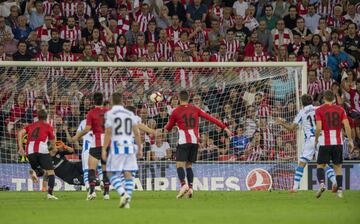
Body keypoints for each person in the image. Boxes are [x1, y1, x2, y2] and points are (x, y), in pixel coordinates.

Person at [163, 90, 232, 199]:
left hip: (184, 142)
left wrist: (163, 130)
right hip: (195, 142)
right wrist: (225, 127)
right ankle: (190, 188)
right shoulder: (195, 109)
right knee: (189, 165)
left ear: (179, 99)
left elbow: (169, 127)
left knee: (179, 165)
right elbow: (211, 118)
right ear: (189, 98)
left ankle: (183, 185)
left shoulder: (175, 111)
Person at [276, 94, 337, 192]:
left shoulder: (302, 112)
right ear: (312, 101)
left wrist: (281, 123)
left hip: (310, 140)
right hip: (321, 139)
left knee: (302, 164)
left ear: (301, 103)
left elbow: (292, 128)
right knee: (323, 164)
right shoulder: (318, 108)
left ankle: (295, 188)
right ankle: (334, 182)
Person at [101, 93, 142, 209]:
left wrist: (104, 149)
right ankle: (127, 200)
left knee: (110, 173)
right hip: (129, 146)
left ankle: (123, 194)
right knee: (128, 173)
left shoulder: (109, 114)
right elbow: (137, 133)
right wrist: (139, 148)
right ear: (122, 101)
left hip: (117, 146)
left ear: (111, 101)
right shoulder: (129, 113)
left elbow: (108, 132)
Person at [315, 90, 354, 198]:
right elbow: (347, 126)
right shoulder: (341, 109)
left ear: (324, 98)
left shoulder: (319, 110)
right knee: (337, 167)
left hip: (325, 142)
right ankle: (340, 191)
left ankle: (322, 184)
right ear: (333, 99)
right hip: (338, 142)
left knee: (320, 165)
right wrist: (350, 140)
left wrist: (316, 139)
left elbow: (318, 127)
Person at [72, 92, 110, 200]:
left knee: (91, 169)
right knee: (105, 169)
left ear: (94, 101)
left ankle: (92, 192)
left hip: (96, 143)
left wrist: (77, 137)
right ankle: (106, 194)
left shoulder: (91, 113)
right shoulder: (108, 112)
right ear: (103, 100)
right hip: (107, 143)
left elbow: (87, 128)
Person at [17, 109, 57, 199]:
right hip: (42, 149)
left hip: (29, 151)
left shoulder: (31, 125)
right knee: (51, 173)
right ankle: (50, 194)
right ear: (46, 117)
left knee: (41, 171)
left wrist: (20, 147)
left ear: (37, 117)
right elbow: (53, 141)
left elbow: (20, 133)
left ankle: (35, 172)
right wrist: (53, 148)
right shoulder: (48, 126)